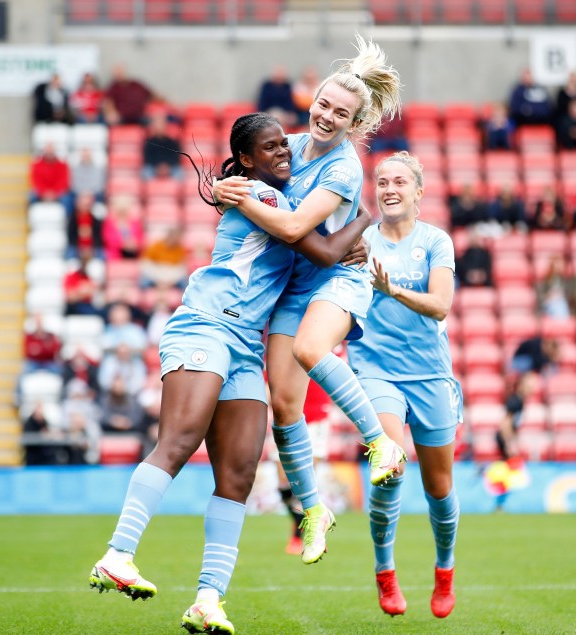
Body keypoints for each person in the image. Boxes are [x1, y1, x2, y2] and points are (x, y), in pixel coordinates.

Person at [89, 112, 370, 634]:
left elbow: (320, 255)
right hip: (204, 327)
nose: (283, 153)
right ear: (245, 160)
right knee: (178, 441)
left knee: (238, 476)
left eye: (284, 144)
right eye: (269, 148)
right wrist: (364, 222)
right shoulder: (260, 199)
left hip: (244, 344)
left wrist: (342, 243)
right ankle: (117, 554)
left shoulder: (268, 197)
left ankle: (208, 599)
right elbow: (324, 250)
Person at [212, 38, 406, 566]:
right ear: (312, 100)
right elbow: (242, 171)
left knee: (312, 349)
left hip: (336, 277)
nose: (327, 116)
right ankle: (313, 509)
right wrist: (225, 186)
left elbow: (297, 226)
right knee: (284, 406)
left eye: (341, 113)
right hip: (292, 287)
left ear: (353, 124)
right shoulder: (287, 145)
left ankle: (380, 442)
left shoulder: (344, 169)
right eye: (323, 104)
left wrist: (245, 196)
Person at [345, 152, 461, 618]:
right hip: (376, 371)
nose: (389, 188)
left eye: (399, 182)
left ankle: (445, 569)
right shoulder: (360, 241)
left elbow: (440, 305)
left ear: (418, 192)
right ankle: (385, 572)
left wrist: (393, 291)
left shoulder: (436, 241)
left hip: (431, 375)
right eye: (382, 181)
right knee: (391, 466)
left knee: (439, 487)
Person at [142, 111, 183, 180]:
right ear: (153, 126)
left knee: (180, 173)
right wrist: (158, 167)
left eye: (161, 123)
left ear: (165, 125)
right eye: (157, 124)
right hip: (154, 167)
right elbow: (147, 158)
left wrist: (167, 167)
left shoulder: (172, 142)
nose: (159, 126)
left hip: (170, 167)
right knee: (145, 173)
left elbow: (176, 157)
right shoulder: (149, 143)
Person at [102, 195, 145, 261]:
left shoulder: (135, 222)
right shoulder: (109, 222)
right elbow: (108, 239)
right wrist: (123, 244)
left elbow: (141, 239)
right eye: (121, 209)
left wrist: (134, 244)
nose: (123, 212)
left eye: (124, 209)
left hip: (134, 254)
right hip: (116, 255)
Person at [30, 143, 72, 207]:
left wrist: (55, 193)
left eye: (51, 151)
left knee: (67, 199)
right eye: (48, 151)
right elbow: (36, 181)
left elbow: (64, 181)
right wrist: (44, 193)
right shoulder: (36, 165)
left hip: (58, 193)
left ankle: (67, 217)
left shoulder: (63, 165)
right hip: (42, 193)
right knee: (31, 197)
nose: (49, 153)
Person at [257, 64, 297, 129]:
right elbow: (262, 102)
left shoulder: (287, 86)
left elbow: (290, 102)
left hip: (284, 113)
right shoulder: (267, 85)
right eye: (278, 73)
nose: (279, 75)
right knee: (276, 117)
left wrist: (291, 113)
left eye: (281, 73)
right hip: (269, 112)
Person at [67, 192, 104, 260]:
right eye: (83, 205)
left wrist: (91, 249)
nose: (85, 207)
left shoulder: (96, 219)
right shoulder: (72, 219)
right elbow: (70, 238)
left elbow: (99, 238)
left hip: (93, 248)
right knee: (70, 259)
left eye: (87, 205)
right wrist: (80, 249)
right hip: (76, 249)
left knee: (101, 257)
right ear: (77, 204)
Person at [536, 255, 572, 319]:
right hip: (549, 303)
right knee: (558, 306)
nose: (559, 266)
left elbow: (568, 295)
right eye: (557, 264)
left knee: (561, 304)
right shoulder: (546, 279)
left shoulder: (564, 280)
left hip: (561, 301)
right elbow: (541, 296)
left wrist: (560, 294)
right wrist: (549, 295)